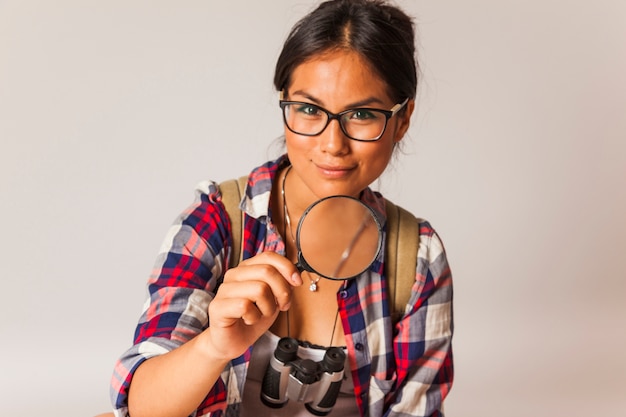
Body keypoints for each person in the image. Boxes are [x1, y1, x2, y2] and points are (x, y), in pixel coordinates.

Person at [109, 1, 453, 416]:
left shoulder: (415, 257)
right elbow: (139, 409)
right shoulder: (218, 221)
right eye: (309, 109)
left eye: (362, 114)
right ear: (284, 103)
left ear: (402, 119)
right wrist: (214, 345)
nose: (333, 144)